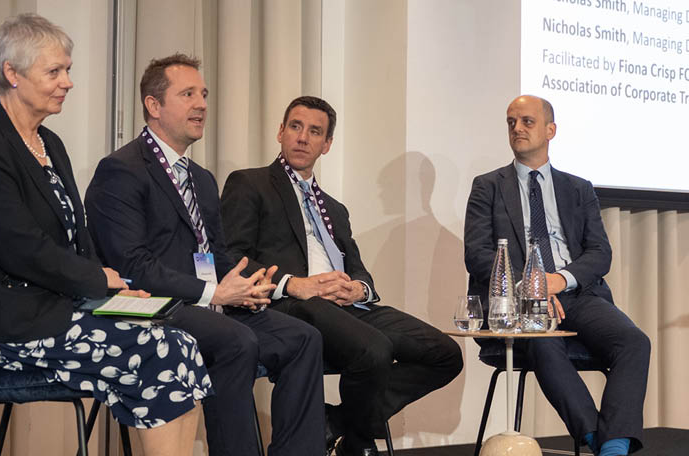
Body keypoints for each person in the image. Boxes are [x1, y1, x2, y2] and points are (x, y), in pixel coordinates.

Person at [0, 15, 211, 456]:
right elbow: (23, 252)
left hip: (58, 309)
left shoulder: (51, 144)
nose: (68, 82)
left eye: (67, 70)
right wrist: (99, 282)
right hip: (9, 325)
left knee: (182, 342)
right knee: (159, 350)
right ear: (12, 73)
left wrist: (120, 295)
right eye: (54, 71)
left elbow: (79, 239)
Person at [84, 54, 325, 456]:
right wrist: (211, 294)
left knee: (303, 338)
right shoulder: (121, 171)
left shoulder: (201, 178)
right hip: (150, 303)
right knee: (236, 341)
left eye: (204, 94)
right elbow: (132, 266)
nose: (201, 104)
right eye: (188, 94)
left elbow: (216, 252)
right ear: (154, 105)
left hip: (207, 302)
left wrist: (248, 284)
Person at [220, 96, 464, 456]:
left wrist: (359, 288)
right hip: (291, 304)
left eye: (314, 131)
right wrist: (295, 285)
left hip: (346, 307)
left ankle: (337, 423)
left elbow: (358, 267)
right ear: (280, 132)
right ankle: (359, 445)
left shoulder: (334, 208)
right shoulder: (250, 184)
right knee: (374, 350)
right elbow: (230, 256)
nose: (303, 137)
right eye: (295, 127)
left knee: (445, 354)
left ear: (327, 144)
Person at [464, 95, 651, 456]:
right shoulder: (488, 186)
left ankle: (614, 442)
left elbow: (600, 253)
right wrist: (530, 286)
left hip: (576, 294)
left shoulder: (578, 188)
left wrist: (558, 280)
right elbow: (478, 254)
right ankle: (598, 440)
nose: (517, 128)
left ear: (550, 130)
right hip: (518, 301)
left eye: (527, 122)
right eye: (511, 122)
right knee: (543, 338)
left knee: (634, 342)